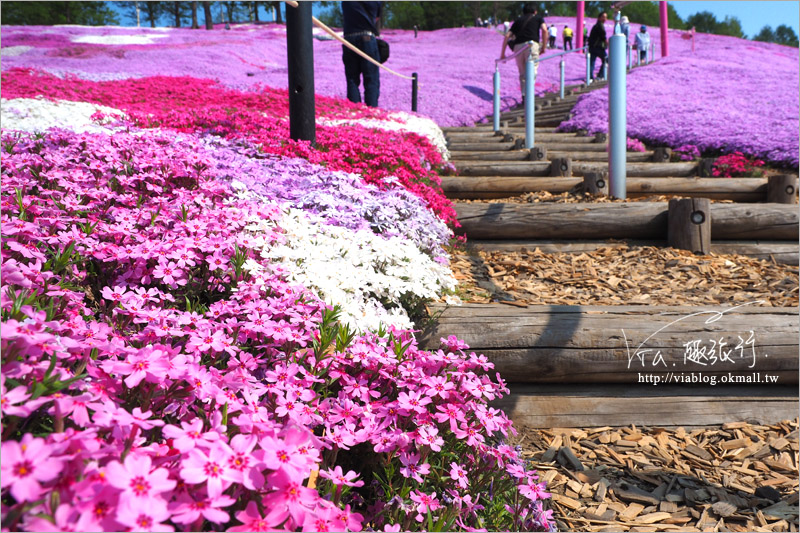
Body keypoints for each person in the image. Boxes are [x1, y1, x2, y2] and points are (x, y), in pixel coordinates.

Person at [500, 3, 548, 97]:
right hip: (531, 45)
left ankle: (524, 96)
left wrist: (502, 54)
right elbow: (545, 30)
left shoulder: (518, 20)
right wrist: (544, 47)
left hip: (518, 47)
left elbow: (507, 35)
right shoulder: (538, 18)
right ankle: (529, 94)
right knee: (532, 69)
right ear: (535, 11)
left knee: (522, 73)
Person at [341, 2, 383, 107]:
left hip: (349, 38)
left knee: (352, 79)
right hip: (367, 37)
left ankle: (354, 110)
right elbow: (377, 18)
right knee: (371, 79)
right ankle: (371, 110)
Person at [588, 12, 608, 80]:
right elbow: (603, 36)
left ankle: (590, 77)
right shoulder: (600, 26)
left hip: (592, 47)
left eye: (606, 17)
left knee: (592, 63)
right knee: (606, 59)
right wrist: (607, 43)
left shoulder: (596, 26)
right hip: (598, 47)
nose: (605, 19)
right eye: (603, 17)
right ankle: (600, 75)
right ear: (599, 18)